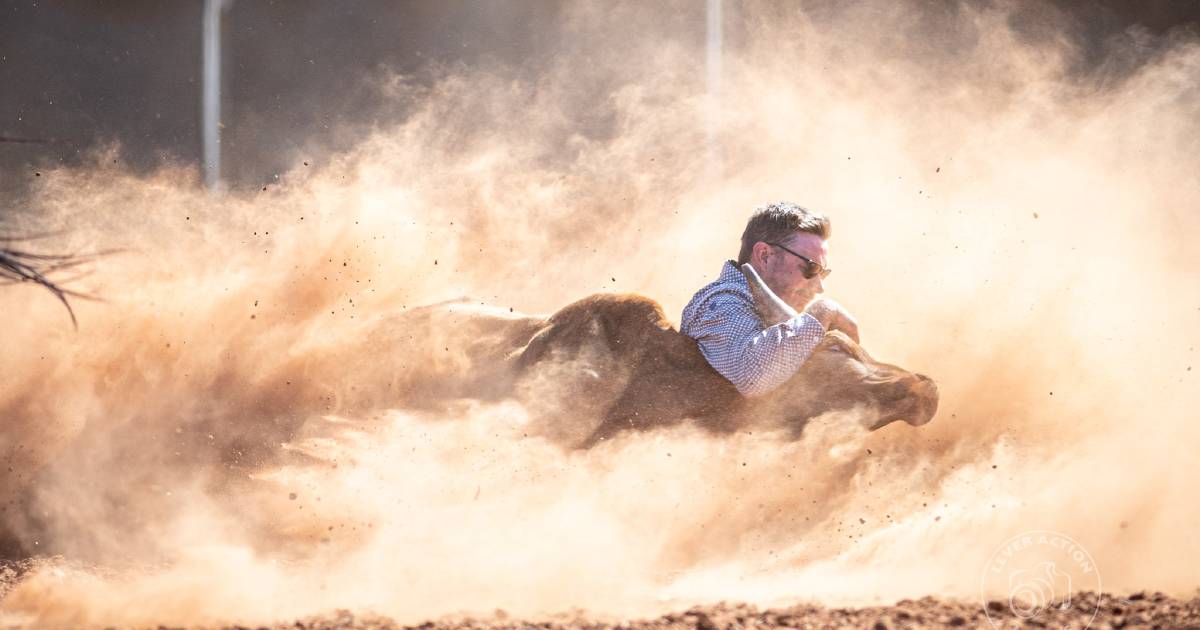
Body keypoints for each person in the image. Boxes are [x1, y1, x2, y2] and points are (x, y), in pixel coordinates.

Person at [680, 202, 859, 396]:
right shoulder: (720, 303)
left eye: (823, 273)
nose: (819, 287)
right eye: (810, 268)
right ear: (764, 256)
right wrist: (823, 311)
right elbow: (752, 378)